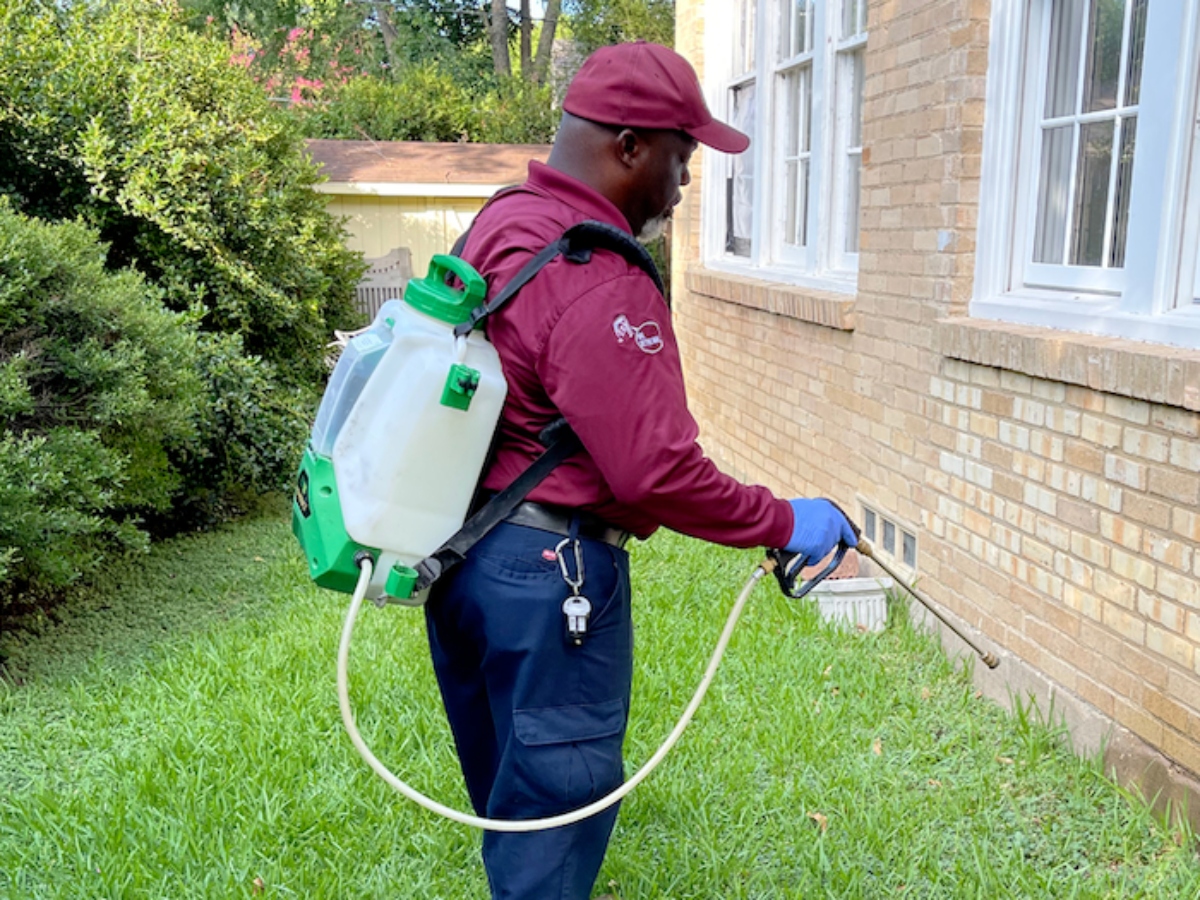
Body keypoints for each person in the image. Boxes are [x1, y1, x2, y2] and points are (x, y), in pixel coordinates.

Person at [424, 41, 857, 900]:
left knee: (514, 799)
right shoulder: (600, 275)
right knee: (552, 816)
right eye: (681, 155)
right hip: (553, 582)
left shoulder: (505, 221)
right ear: (628, 147)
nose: (686, 181)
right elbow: (656, 471)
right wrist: (783, 519)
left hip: (466, 561)